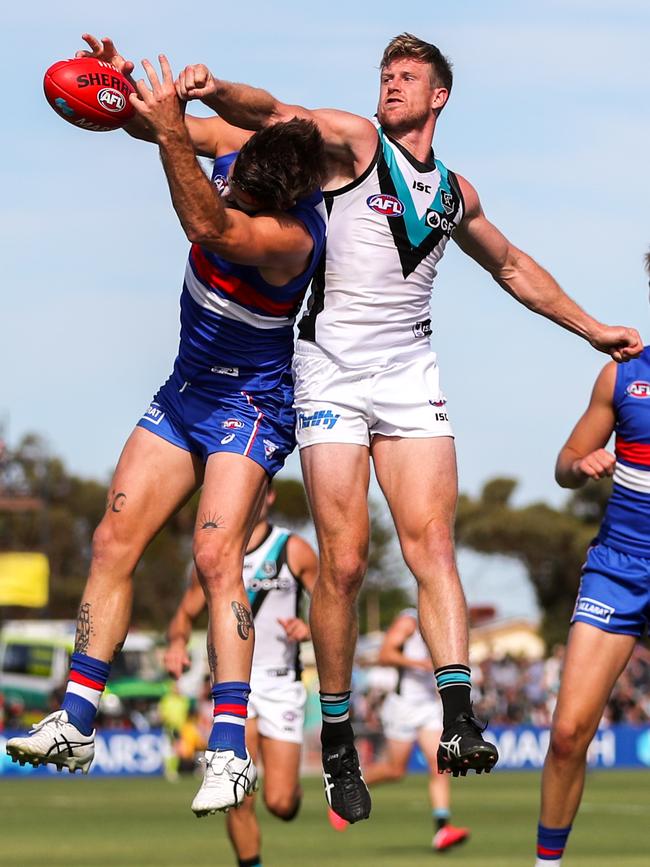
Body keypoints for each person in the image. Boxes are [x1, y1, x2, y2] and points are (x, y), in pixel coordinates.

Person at [170, 32, 644, 823]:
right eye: (385, 74)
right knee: (346, 563)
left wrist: (591, 327)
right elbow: (271, 113)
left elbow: (515, 267)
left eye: (407, 76)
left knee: (432, 542)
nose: (391, 85)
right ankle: (337, 738)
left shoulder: (454, 191)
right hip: (328, 370)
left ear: (439, 96)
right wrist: (215, 88)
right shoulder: (355, 144)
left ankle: (459, 717)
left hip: (409, 374)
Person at [7, 50, 327, 821]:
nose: (234, 171)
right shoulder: (241, 151)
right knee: (112, 541)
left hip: (250, 405)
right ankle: (77, 721)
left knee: (218, 557)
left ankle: (228, 749)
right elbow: (161, 133)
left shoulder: (291, 235)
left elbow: (206, 222)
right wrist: (126, 95)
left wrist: (172, 134)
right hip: (184, 393)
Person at [533, 251, 650, 866]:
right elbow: (563, 465)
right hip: (619, 565)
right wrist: (583, 466)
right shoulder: (622, 376)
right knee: (567, 732)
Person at [164, 486, 317, 867]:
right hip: (235, 687)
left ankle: (286, 793)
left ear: (269, 498)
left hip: (282, 684)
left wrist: (310, 627)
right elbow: (184, 615)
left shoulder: (293, 548)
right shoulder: (217, 553)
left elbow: (335, 605)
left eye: (258, 494)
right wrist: (177, 644)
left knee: (280, 802)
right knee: (236, 794)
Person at [360, 609, 470, 852]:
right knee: (395, 770)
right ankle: (351, 785)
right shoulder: (408, 623)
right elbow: (384, 654)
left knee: (440, 764)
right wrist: (417, 663)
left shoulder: (445, 624)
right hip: (403, 706)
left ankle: (443, 829)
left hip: (428, 705)